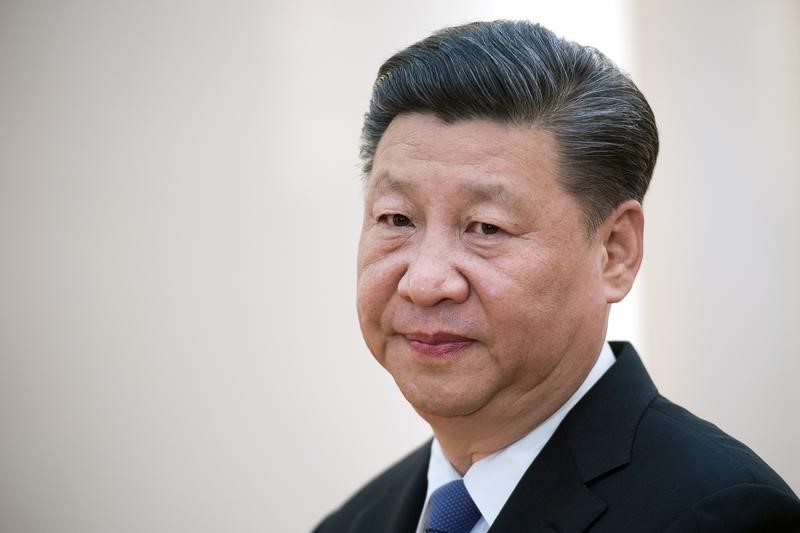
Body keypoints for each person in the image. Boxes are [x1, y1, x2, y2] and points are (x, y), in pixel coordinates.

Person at [314, 20, 800, 532]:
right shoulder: (354, 522)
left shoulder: (723, 516)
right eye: (397, 220)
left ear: (615, 252)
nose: (426, 281)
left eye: (486, 227)